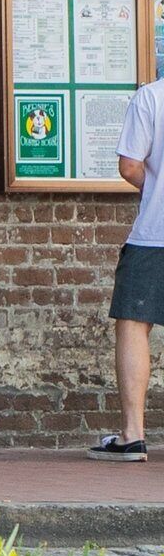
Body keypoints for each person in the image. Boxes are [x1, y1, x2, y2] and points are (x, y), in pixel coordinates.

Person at [94, 61, 164, 459]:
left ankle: (132, 435)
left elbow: (130, 165)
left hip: (155, 233)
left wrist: (154, 186)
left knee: (134, 324)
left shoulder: (151, 97)